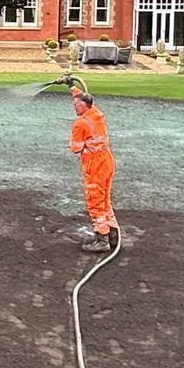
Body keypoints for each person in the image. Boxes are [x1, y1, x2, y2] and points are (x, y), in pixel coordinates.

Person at [67, 85, 117, 252]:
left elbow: (75, 148)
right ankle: (113, 234)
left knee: (95, 201)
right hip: (107, 161)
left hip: (94, 166)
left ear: (83, 106)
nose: (74, 108)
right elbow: (83, 98)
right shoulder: (96, 114)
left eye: (76, 105)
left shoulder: (80, 124)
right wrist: (72, 86)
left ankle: (102, 240)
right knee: (105, 200)